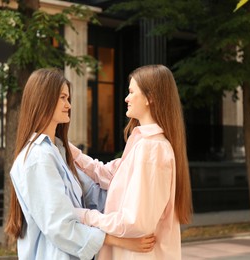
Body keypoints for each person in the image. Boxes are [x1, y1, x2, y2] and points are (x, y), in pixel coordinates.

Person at [4, 68, 156, 260]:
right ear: (42, 99)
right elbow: (60, 226)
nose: (68, 105)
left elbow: (96, 196)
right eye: (62, 98)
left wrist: (139, 167)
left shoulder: (57, 152)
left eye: (68, 98)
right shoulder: (38, 158)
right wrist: (120, 240)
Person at [70, 64, 193, 260]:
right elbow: (108, 174)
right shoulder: (143, 143)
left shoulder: (152, 149)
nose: (126, 98)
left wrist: (83, 216)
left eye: (131, 92)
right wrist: (69, 151)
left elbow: (135, 222)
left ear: (150, 97)